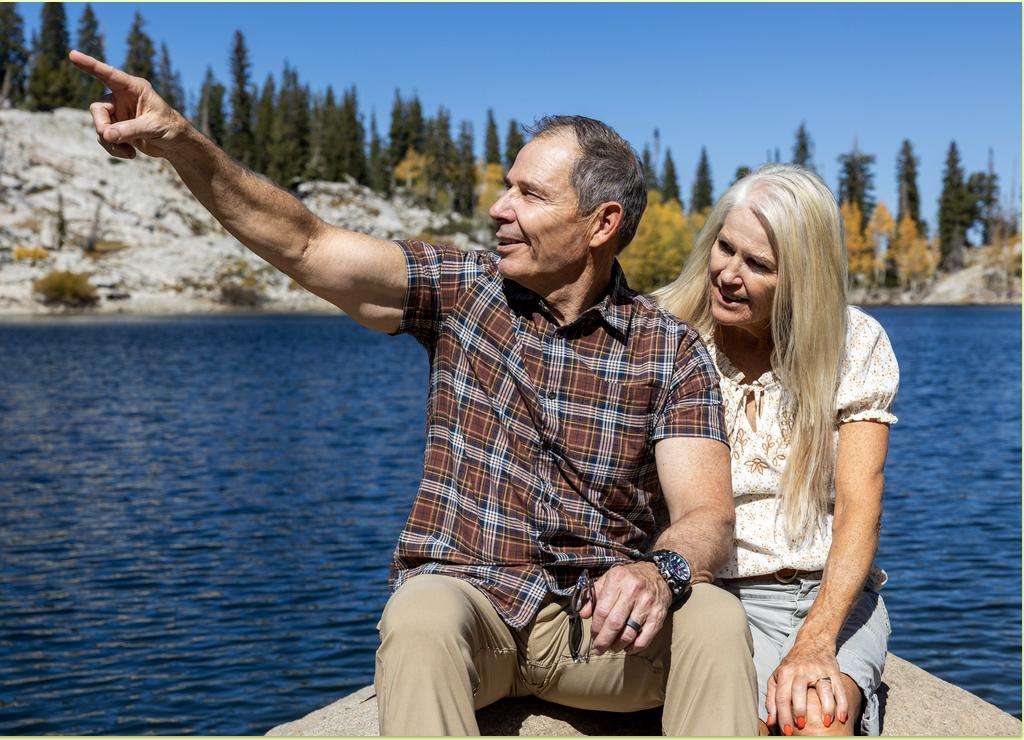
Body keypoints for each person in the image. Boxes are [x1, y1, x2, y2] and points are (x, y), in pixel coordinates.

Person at [69, 50, 759, 735]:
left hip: (594, 634)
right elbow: (307, 246)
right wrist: (180, 143)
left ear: (601, 224)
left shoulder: (669, 349)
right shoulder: (463, 290)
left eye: (530, 195)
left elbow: (706, 515)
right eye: (507, 187)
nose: (499, 209)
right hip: (469, 612)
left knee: (714, 617)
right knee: (419, 613)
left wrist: (656, 571)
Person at [654, 164, 898, 736]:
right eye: (724, 247)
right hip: (713, 598)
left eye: (757, 264)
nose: (727, 274)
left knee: (818, 719)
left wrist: (817, 640)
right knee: (752, 721)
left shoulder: (853, 343)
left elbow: (861, 508)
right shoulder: (667, 330)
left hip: (831, 595)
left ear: (802, 279)